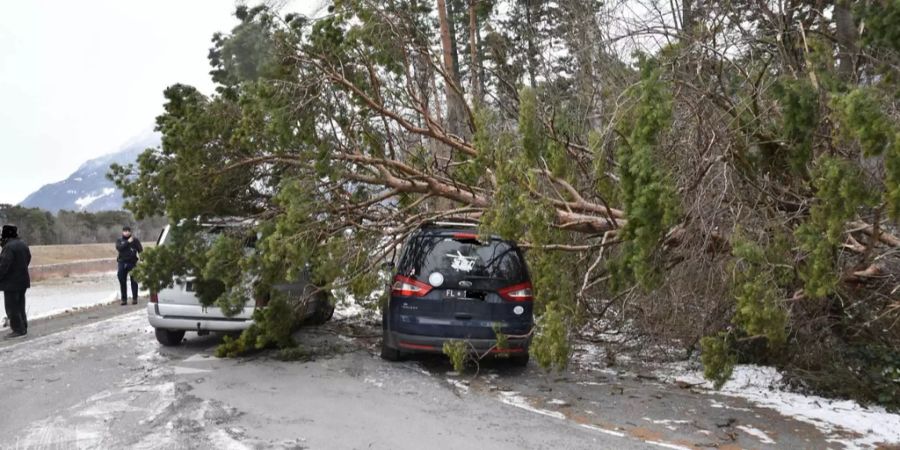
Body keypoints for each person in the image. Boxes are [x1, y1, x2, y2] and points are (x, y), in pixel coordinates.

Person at [0, 224, 31, 339]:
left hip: (11, 283)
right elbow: (28, 258)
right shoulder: (23, 244)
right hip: (22, 281)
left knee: (12, 307)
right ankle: (23, 326)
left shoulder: (8, 247)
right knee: (20, 305)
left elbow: (3, 266)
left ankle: (18, 330)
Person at [115, 226, 143, 305]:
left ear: (130, 232)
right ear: (122, 232)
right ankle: (124, 299)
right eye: (125, 231)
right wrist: (127, 242)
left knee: (134, 281)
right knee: (122, 280)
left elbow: (140, 250)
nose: (126, 232)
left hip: (132, 263)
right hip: (122, 263)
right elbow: (119, 248)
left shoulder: (135, 240)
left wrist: (142, 259)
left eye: (128, 231)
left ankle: (135, 298)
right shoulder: (119, 240)